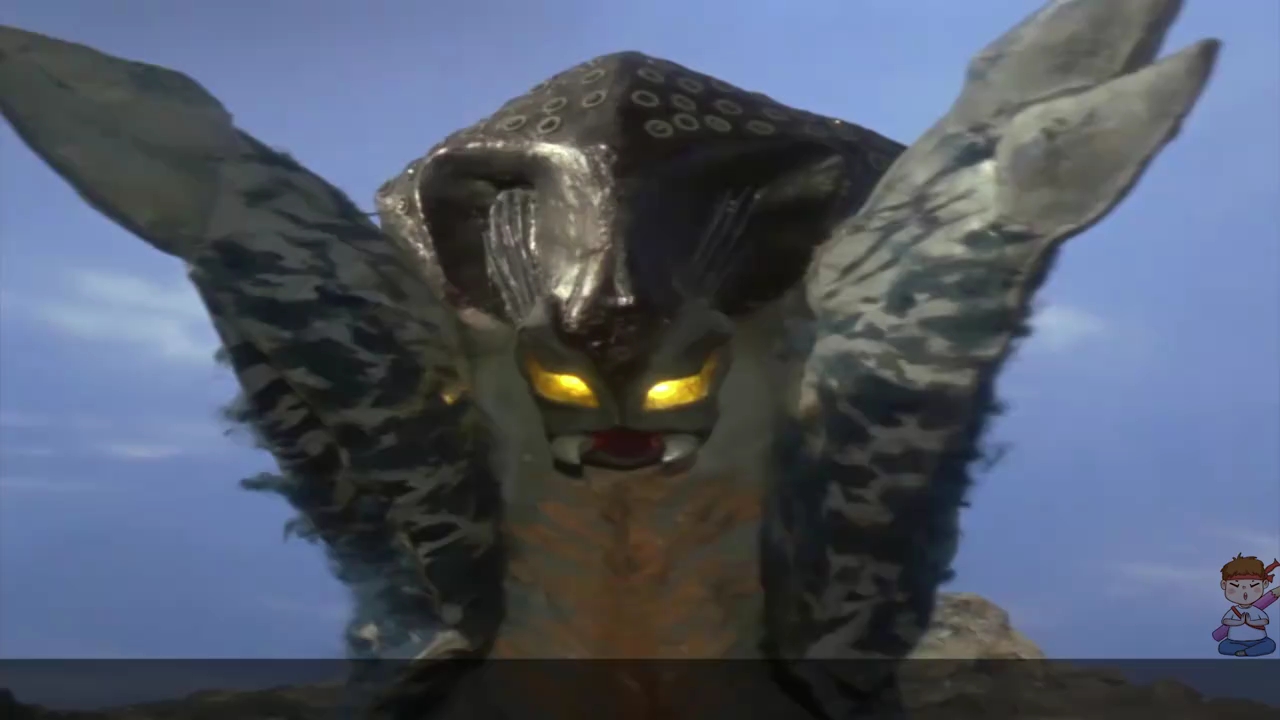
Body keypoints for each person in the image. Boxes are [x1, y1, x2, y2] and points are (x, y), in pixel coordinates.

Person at [1217, 554, 1276, 657]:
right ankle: (1250, 651)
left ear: (1264, 584)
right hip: (1234, 641)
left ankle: (1246, 652)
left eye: (1253, 586)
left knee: (1270, 645)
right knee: (1223, 646)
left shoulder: (1256, 610)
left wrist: (1251, 622)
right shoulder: (1233, 610)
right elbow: (1225, 621)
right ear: (1224, 585)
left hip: (1259, 640)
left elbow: (1265, 621)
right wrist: (1239, 622)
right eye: (1236, 586)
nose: (1244, 591)